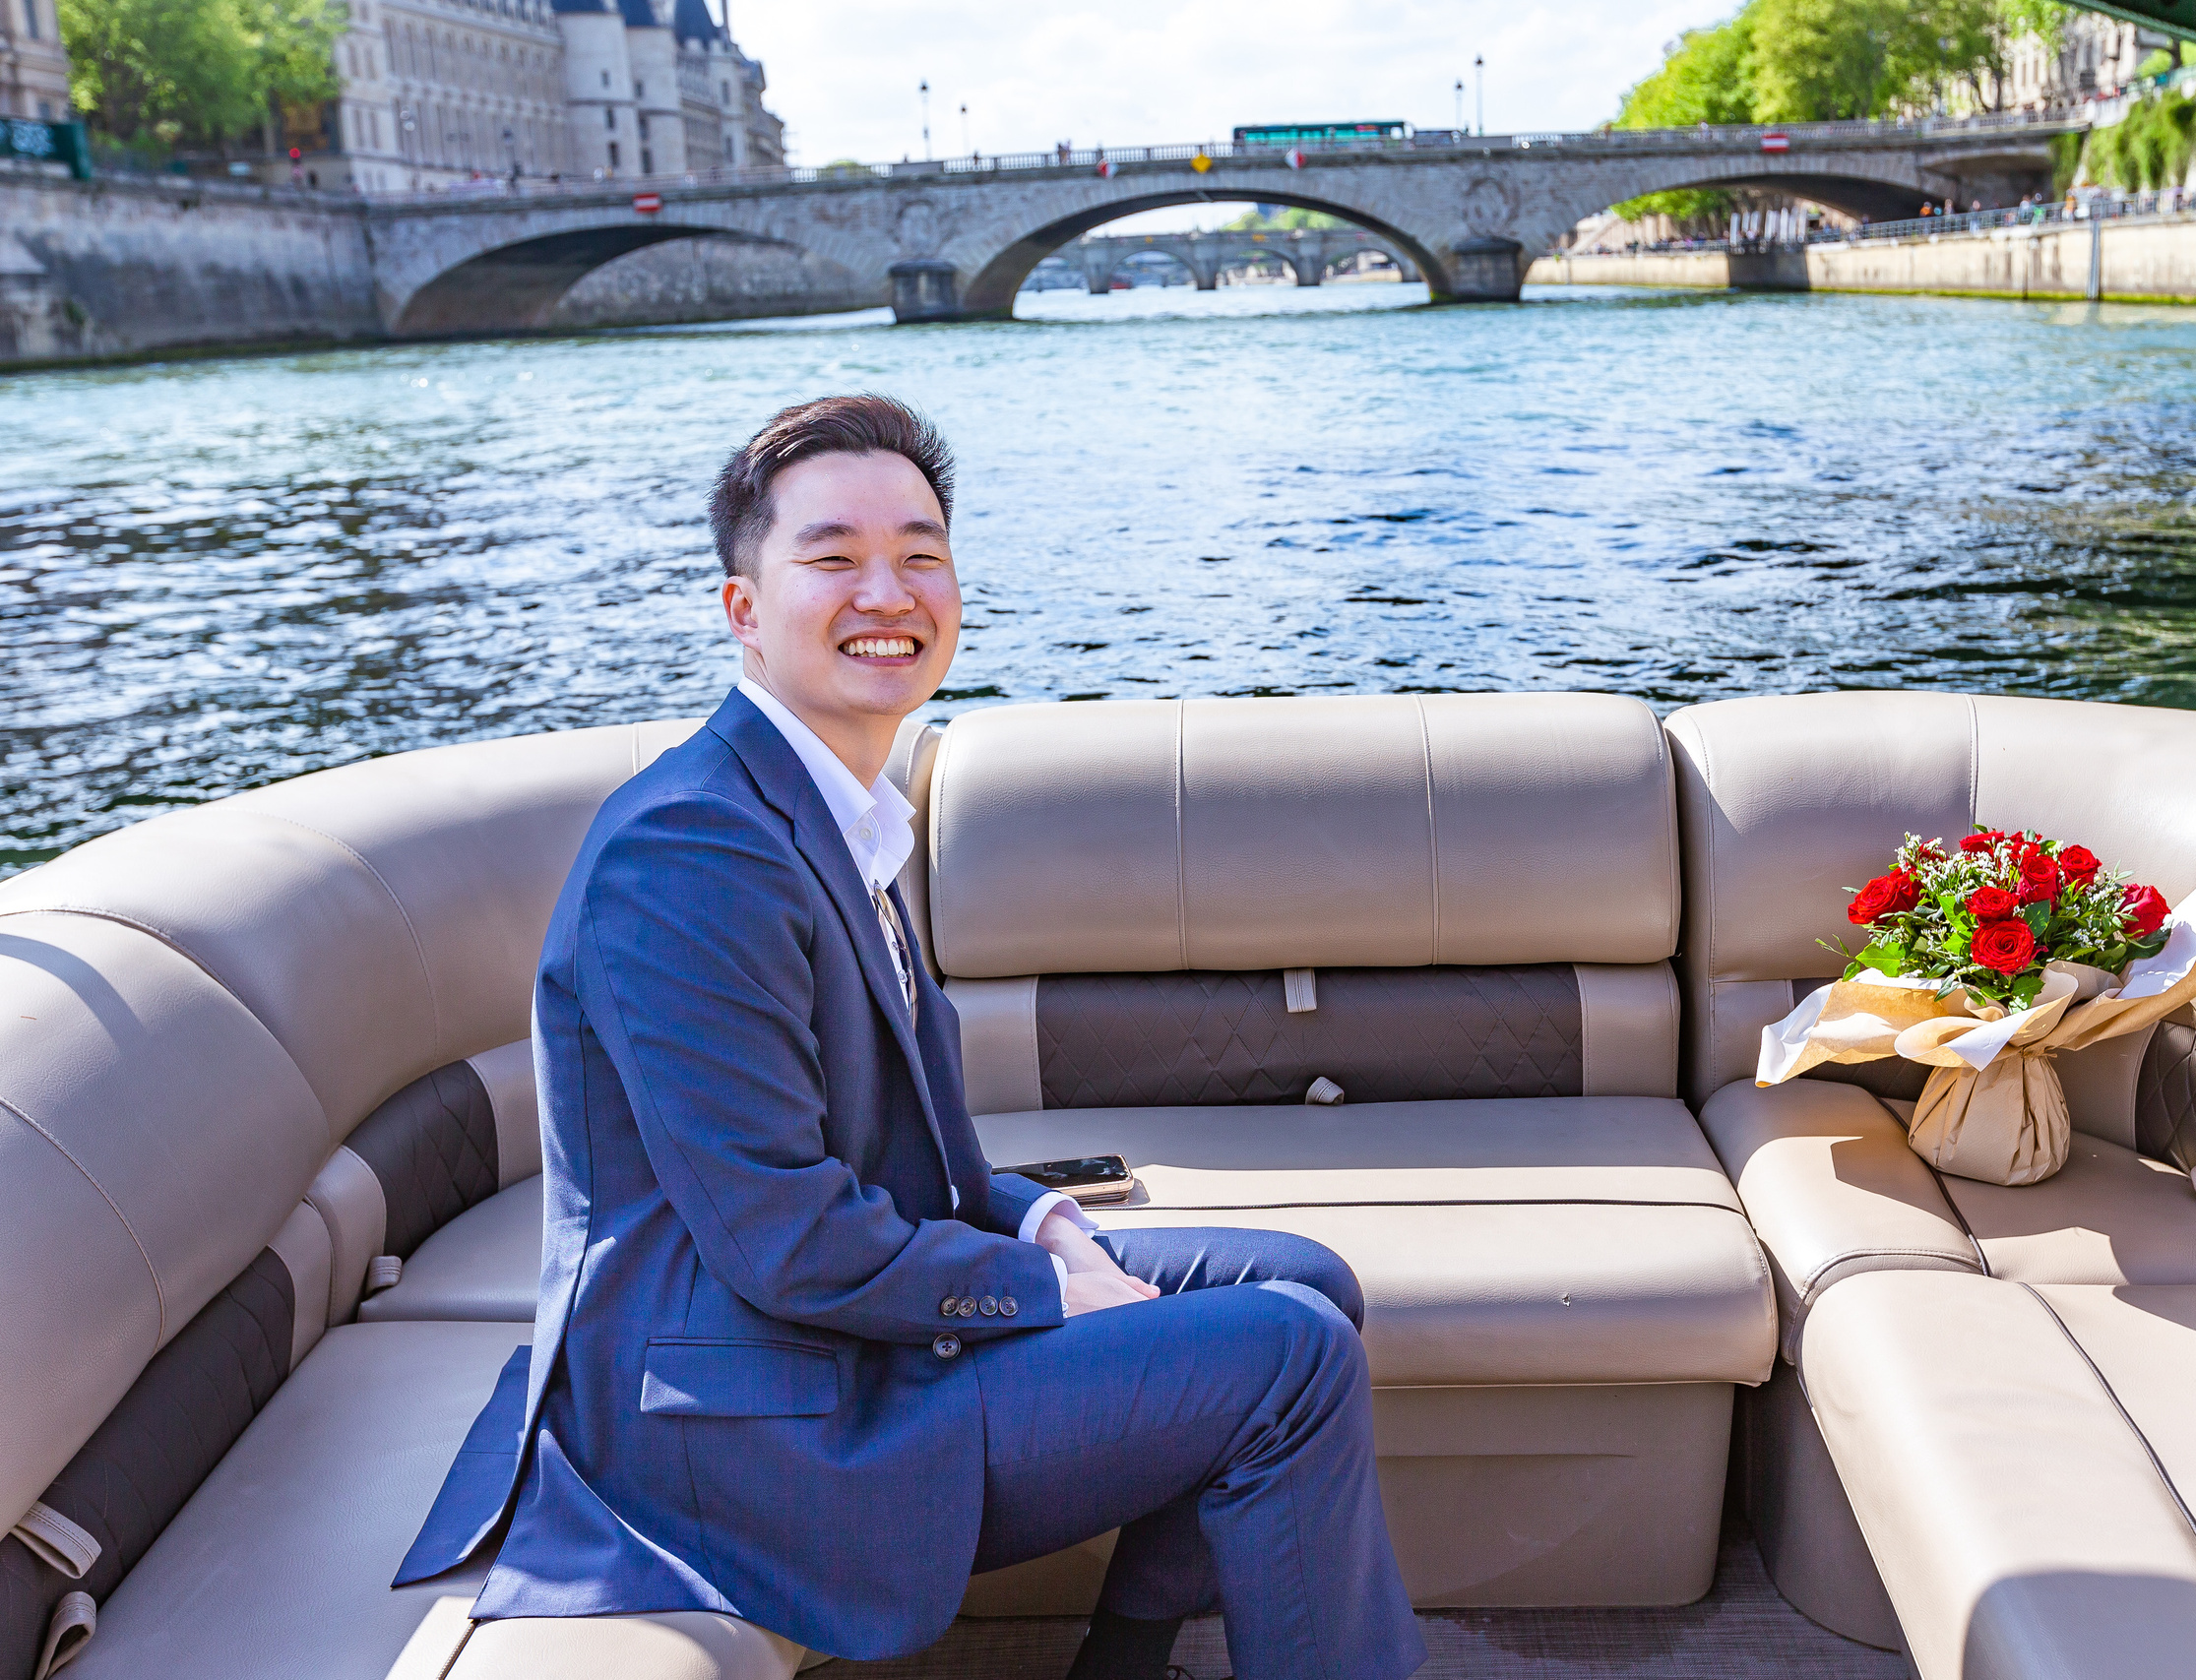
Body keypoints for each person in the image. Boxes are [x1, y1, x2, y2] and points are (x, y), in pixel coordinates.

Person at [394, 396, 1425, 1680]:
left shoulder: (840, 813)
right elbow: (789, 1239)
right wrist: (1050, 1290)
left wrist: (1044, 1226)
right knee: (1289, 1358)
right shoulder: (693, 853)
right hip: (743, 1417)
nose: (889, 588)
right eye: (832, 557)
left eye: (921, 553)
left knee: (1306, 1281)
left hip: (827, 1335)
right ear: (744, 610)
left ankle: (1122, 1664)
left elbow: (900, 1161)